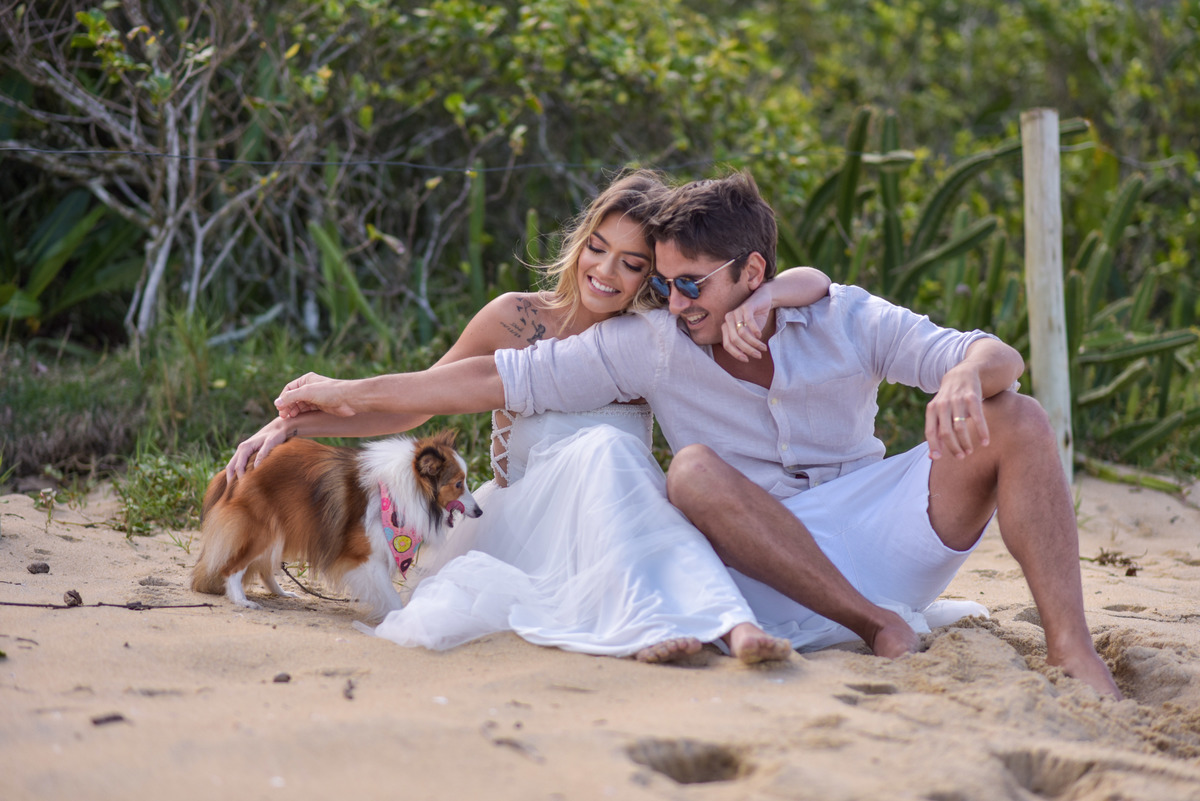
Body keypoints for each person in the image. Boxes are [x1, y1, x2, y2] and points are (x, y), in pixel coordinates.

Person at [273, 170, 1122, 699]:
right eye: (664, 283)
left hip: (878, 523)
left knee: (1019, 414)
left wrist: (968, 374)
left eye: (688, 285)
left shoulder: (841, 315)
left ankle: (1072, 647)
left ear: (752, 274)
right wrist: (346, 393)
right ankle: (875, 626)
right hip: (764, 563)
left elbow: (985, 351)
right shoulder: (650, 342)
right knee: (693, 471)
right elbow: (494, 378)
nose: (671, 305)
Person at [230, 169, 832, 664]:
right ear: (579, 242)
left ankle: (681, 618)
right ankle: (652, 621)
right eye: (598, 248)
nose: (605, 272)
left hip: (611, 525)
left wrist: (771, 296)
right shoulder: (516, 318)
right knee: (607, 451)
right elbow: (420, 398)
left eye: (632, 263)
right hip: (521, 522)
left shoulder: (661, 331)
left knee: (617, 463)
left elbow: (813, 281)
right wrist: (295, 424)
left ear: (655, 276)